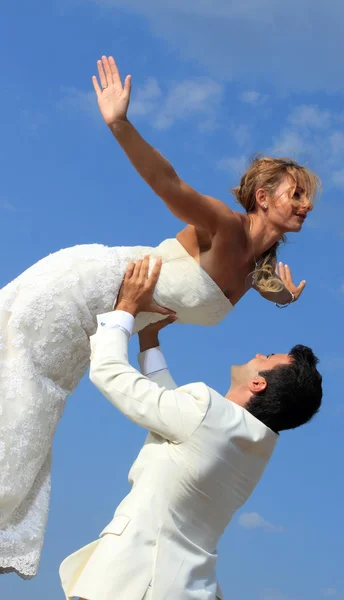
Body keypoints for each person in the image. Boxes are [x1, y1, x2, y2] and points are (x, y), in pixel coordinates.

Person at [0, 55, 320, 579]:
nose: (306, 205)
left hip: (110, 317)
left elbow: (262, 288)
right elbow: (171, 186)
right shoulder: (227, 227)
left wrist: (283, 299)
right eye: (296, 194)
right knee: (25, 394)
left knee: (34, 400)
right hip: (84, 287)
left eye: (308, 197)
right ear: (263, 198)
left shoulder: (258, 269)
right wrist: (120, 123)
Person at [59, 257, 323, 600]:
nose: (258, 353)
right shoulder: (256, 447)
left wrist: (124, 310)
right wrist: (149, 340)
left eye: (268, 356)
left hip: (139, 584)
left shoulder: (207, 415)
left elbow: (109, 374)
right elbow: (175, 414)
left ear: (259, 383)